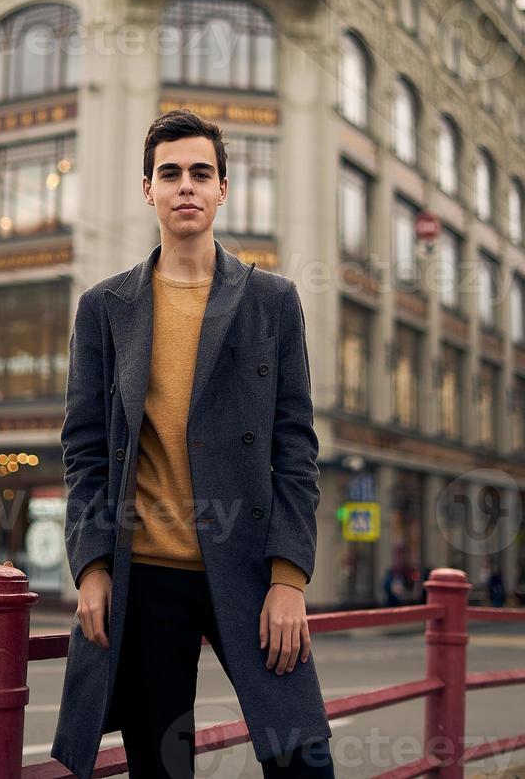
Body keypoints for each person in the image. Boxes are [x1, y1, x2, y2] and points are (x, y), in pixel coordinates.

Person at [51, 110, 334, 779]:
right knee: (162, 767)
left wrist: (289, 579)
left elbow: (295, 447)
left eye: (200, 173)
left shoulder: (273, 300)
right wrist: (91, 566)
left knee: (303, 758)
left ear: (223, 188)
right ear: (146, 189)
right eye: (169, 173)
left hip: (250, 569)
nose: (186, 186)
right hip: (144, 579)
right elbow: (84, 451)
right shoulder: (104, 307)